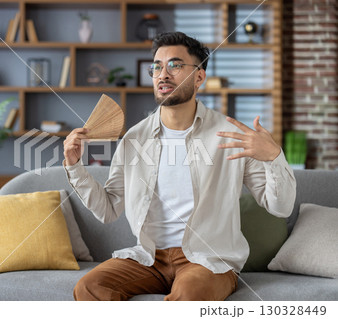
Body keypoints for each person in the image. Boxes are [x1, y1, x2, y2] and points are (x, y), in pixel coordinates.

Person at [62, 31, 296, 301]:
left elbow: (281, 207)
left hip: (207, 260)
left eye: (174, 65)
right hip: (150, 258)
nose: (163, 74)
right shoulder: (134, 139)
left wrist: (273, 157)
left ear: (199, 77)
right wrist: (75, 166)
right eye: (157, 67)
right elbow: (108, 209)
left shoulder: (230, 135)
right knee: (90, 287)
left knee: (188, 293)